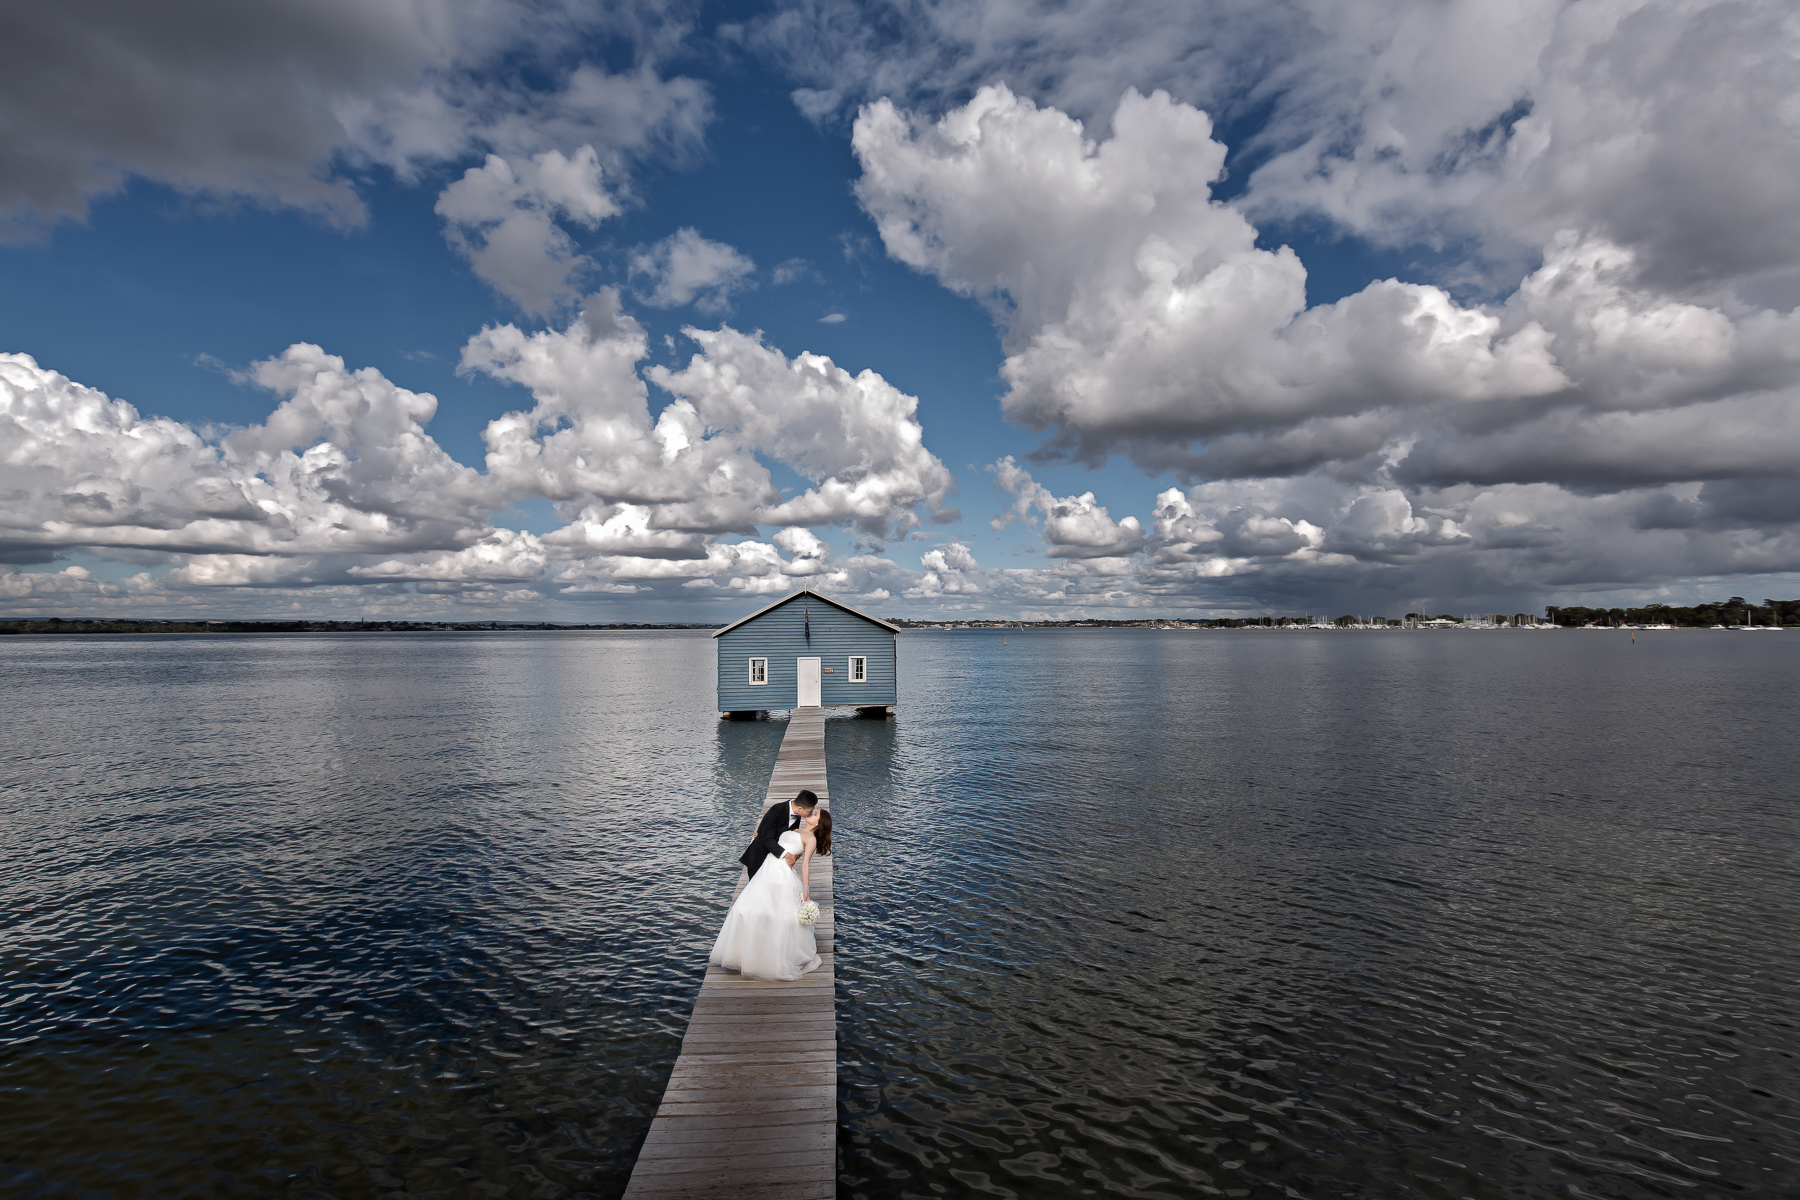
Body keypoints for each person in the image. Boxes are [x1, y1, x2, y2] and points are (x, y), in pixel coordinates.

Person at [710, 806, 831, 981]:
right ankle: (745, 955)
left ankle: (772, 959)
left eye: (816, 814)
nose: (813, 813)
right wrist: (759, 837)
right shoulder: (793, 827)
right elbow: (772, 840)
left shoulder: (810, 838)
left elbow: (805, 865)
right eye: (813, 811)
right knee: (745, 909)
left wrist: (805, 891)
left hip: (782, 876)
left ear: (819, 823)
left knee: (776, 916)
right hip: (766, 870)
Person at [739, 789, 817, 882]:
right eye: (810, 811)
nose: (811, 814)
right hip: (759, 857)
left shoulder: (797, 815)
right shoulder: (776, 810)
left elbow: (789, 835)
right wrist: (787, 855)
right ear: (800, 808)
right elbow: (766, 838)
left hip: (775, 862)